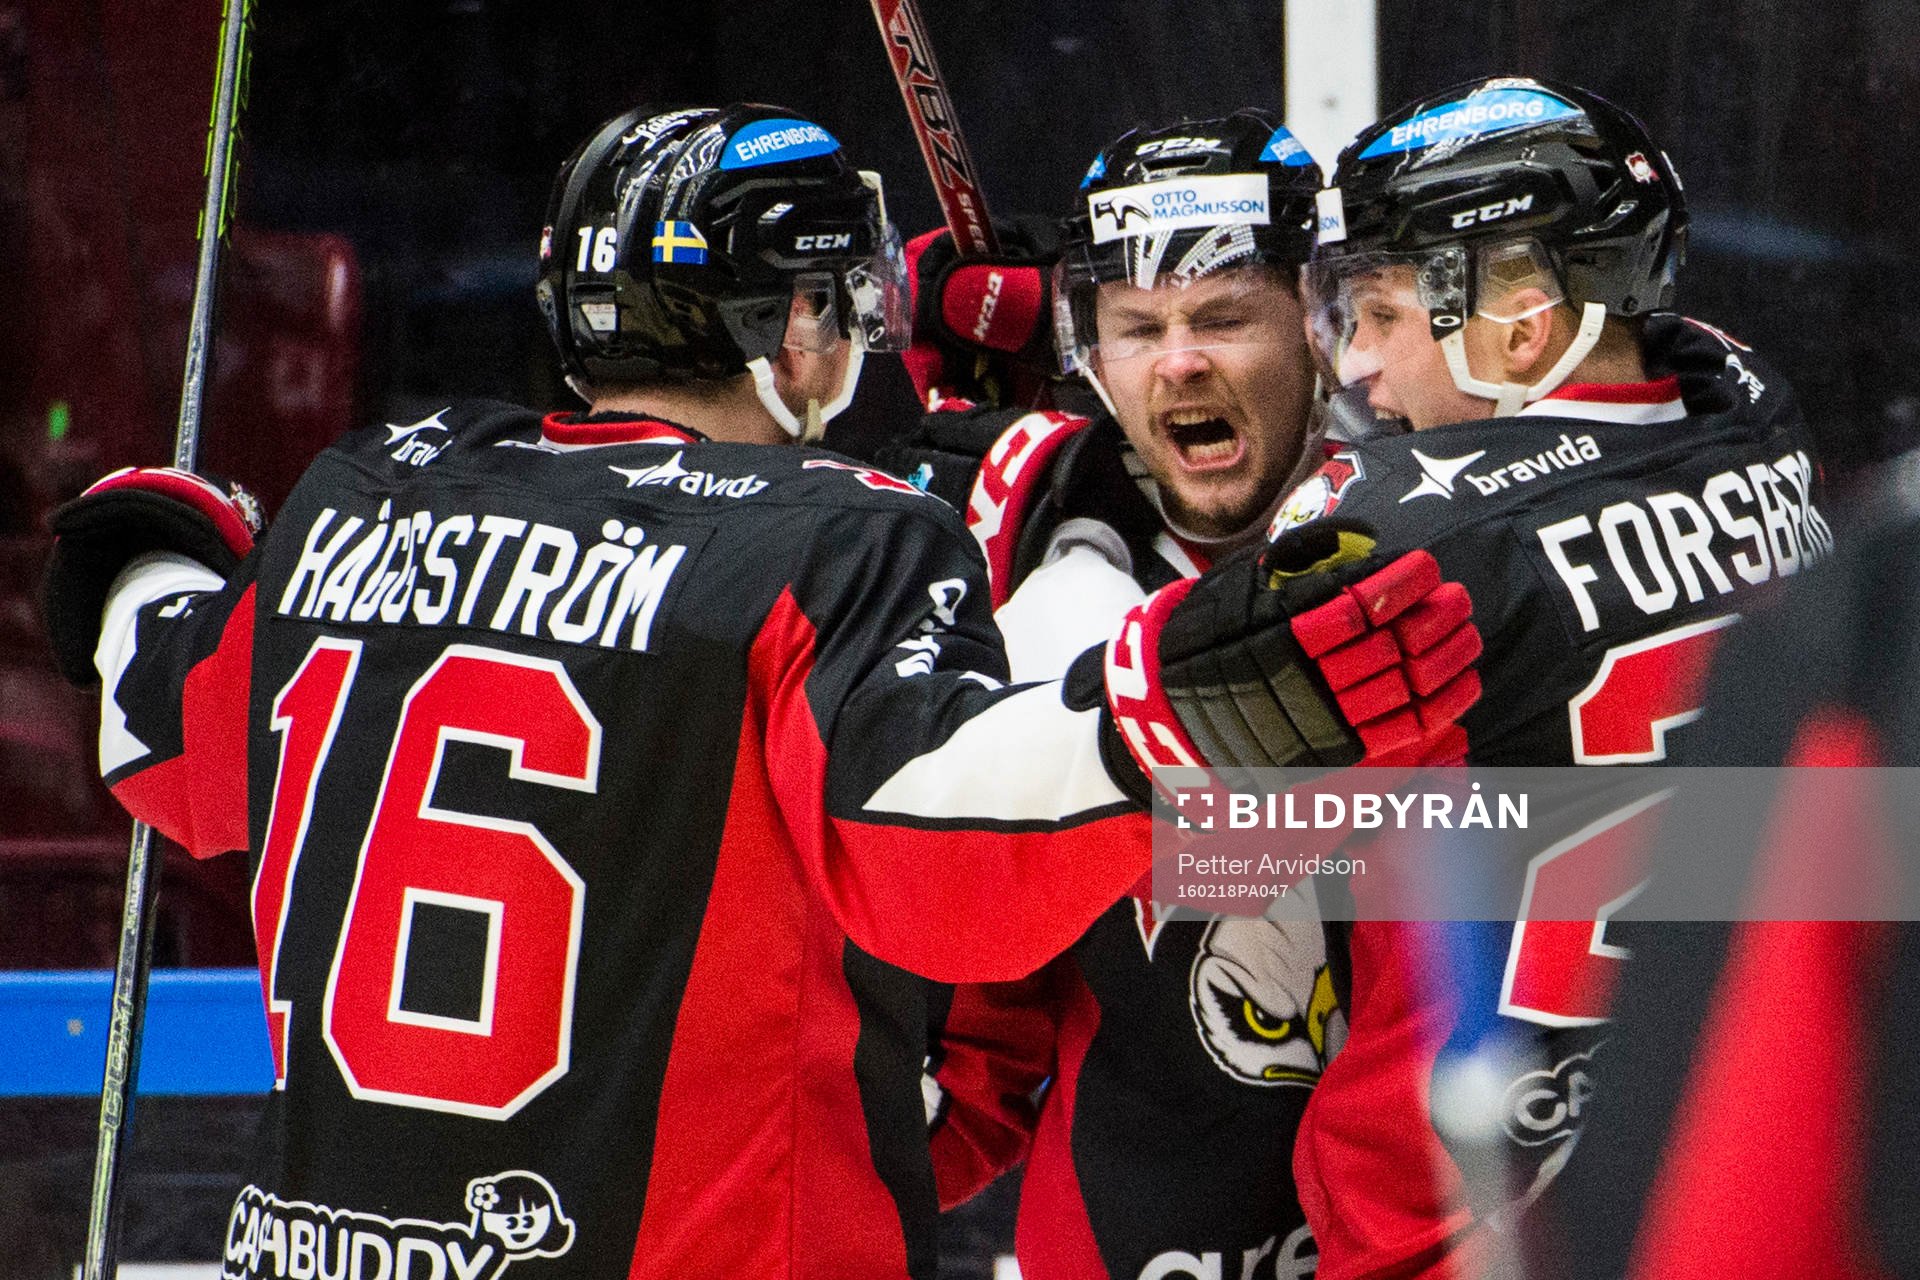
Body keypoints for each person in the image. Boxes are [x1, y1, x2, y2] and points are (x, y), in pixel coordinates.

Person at [38, 104, 1483, 1280]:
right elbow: (946, 853)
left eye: (1224, 314)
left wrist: (134, 559)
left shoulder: (362, 492)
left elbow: (159, 729)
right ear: (798, 332)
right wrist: (1181, 711)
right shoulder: (834, 540)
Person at [1280, 76, 1836, 1277]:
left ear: (1522, 323)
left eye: (1380, 313)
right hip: (1716, 1140)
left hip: (1467, 1207)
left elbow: (1211, 847)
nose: (1360, 369)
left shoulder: (1391, 542)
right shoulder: (1753, 413)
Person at [890, 113, 1457, 1280]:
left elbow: (1689, 857)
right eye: (1137, 328)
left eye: (1223, 317)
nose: (1178, 362)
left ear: (1321, 322)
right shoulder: (1047, 595)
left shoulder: (1448, 529)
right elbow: (975, 1038)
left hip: (1438, 1219)